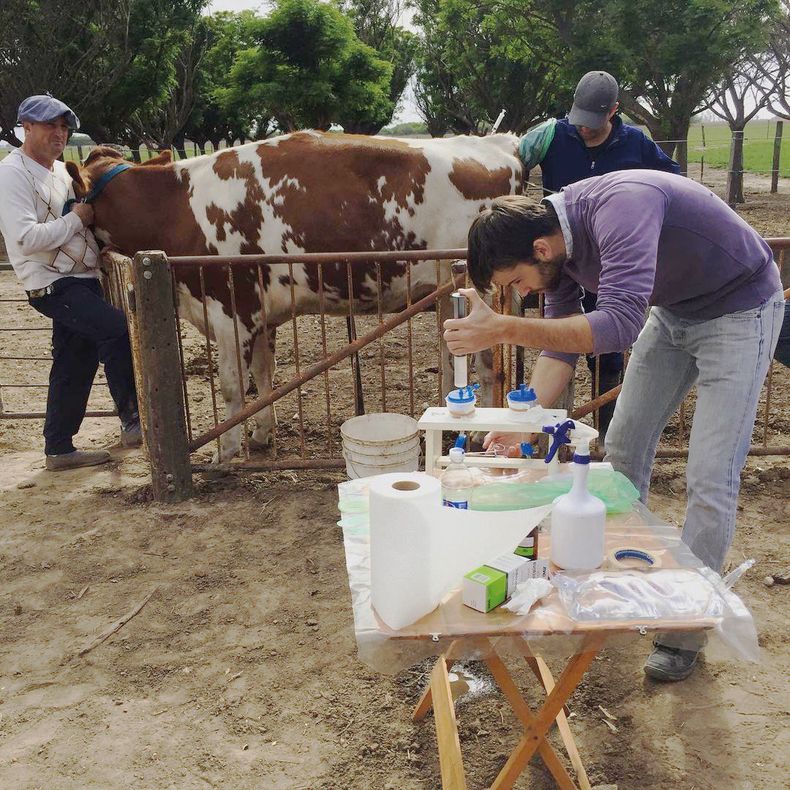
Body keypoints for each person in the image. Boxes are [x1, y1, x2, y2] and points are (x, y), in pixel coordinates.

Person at [443, 171, 784, 682]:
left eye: (516, 283)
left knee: (710, 474)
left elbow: (620, 324)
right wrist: (527, 419)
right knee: (622, 446)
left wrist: (503, 328)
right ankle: (621, 582)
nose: (520, 293)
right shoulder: (555, 258)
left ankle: (684, 630)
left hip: (741, 309)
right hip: (674, 313)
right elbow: (561, 344)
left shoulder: (622, 207)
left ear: (540, 247)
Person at [519, 71, 680, 442]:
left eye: (593, 123)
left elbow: (673, 180)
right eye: (579, 120)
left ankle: (606, 433)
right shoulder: (551, 135)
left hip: (617, 265)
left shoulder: (635, 143)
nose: (584, 130)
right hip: (567, 261)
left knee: (609, 349)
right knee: (561, 335)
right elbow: (510, 162)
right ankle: (553, 428)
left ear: (614, 112)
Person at [0, 94, 141, 471]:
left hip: (81, 280)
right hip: (53, 284)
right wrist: (78, 219)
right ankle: (133, 420)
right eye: (49, 125)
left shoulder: (62, 171)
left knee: (73, 364)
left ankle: (59, 449)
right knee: (116, 329)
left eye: (64, 127)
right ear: (25, 127)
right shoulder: (11, 174)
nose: (58, 133)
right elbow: (25, 238)